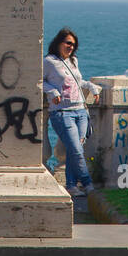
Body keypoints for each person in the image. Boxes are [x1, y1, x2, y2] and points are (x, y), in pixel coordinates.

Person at [43, 27, 102, 196]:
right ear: (59, 42)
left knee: (73, 149)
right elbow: (39, 80)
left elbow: (77, 81)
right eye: (68, 43)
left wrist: (92, 87)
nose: (71, 47)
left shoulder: (73, 61)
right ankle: (87, 184)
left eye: (73, 45)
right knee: (76, 149)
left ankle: (70, 185)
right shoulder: (49, 61)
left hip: (81, 111)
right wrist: (52, 91)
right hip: (62, 112)